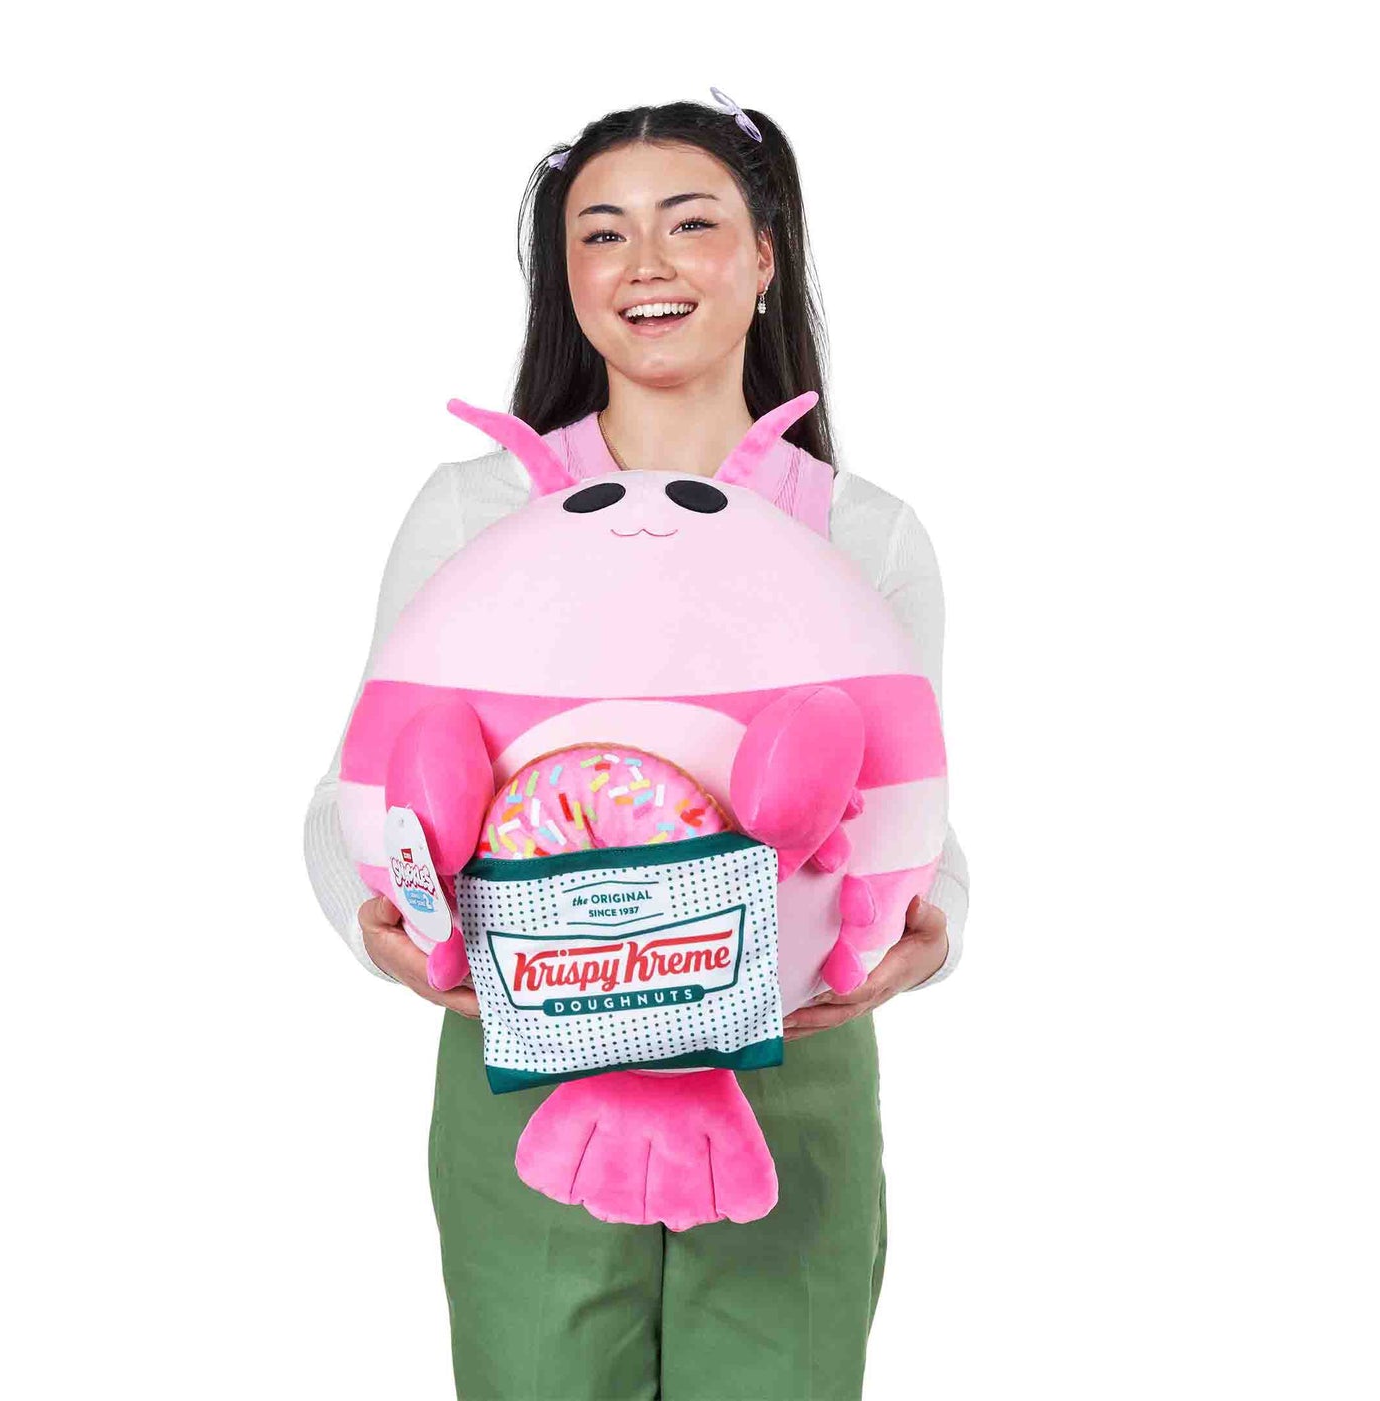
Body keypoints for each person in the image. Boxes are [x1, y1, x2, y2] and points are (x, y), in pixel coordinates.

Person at [303, 91, 969, 1400]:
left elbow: (915, 803)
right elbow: (358, 790)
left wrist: (930, 931)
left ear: (765, 257)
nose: (645, 263)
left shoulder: (862, 529)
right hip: (526, 1046)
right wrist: (383, 932)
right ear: (567, 278)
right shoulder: (477, 507)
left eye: (690, 223)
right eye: (602, 233)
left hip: (790, 1052)